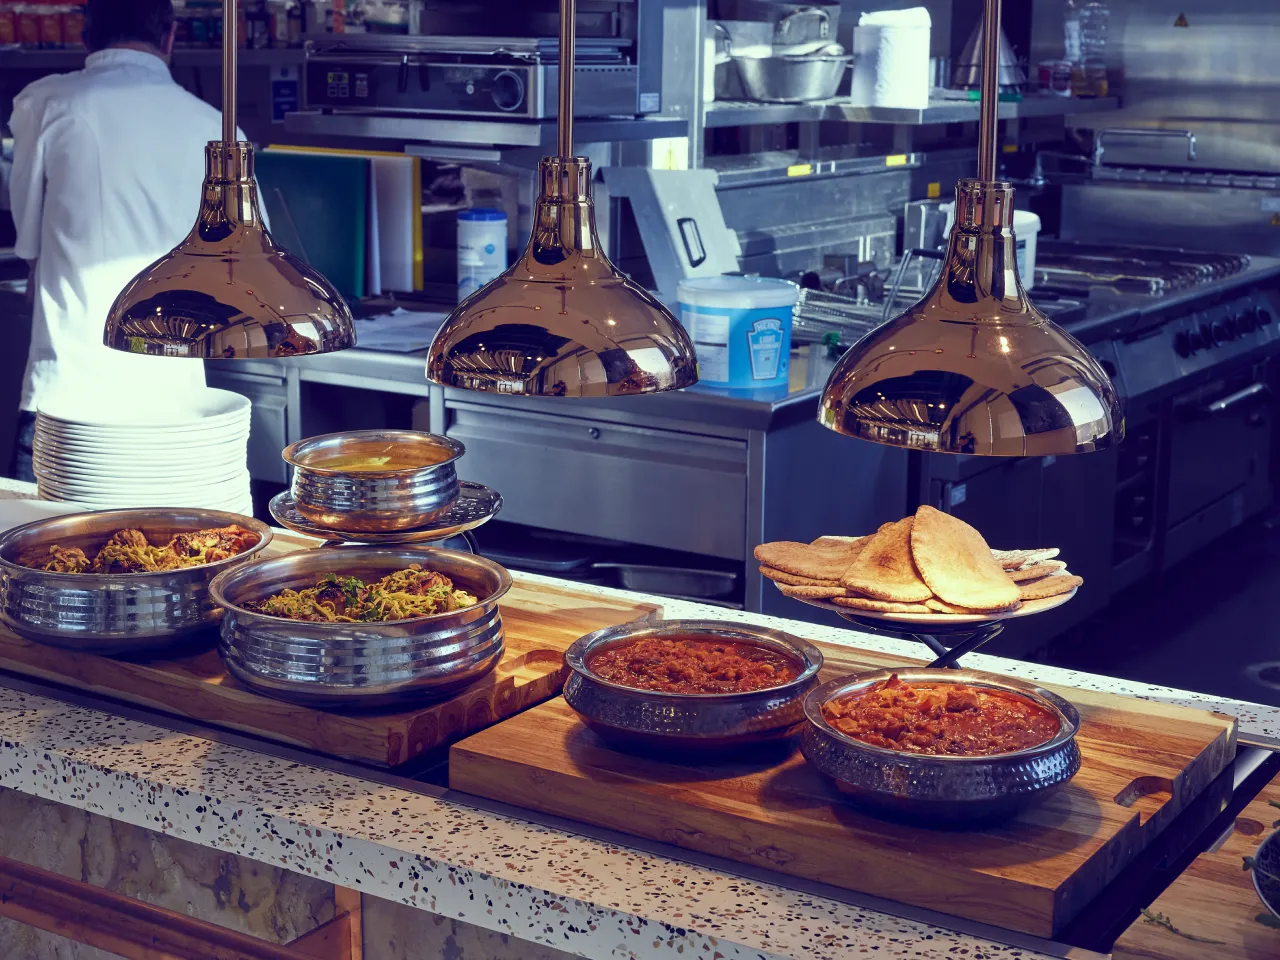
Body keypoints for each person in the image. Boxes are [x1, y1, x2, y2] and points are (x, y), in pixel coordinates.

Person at [7, 0, 233, 481]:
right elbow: (242, 264)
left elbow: (28, 240)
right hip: (177, 407)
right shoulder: (218, 127)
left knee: (41, 530)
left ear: (85, 35)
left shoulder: (46, 103)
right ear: (170, 37)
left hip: (69, 400)